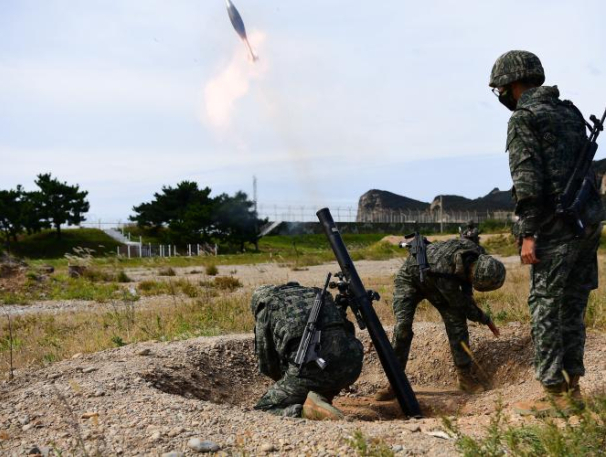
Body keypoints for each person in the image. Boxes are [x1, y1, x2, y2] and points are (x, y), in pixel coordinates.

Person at [489, 50, 604, 416]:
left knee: (546, 307)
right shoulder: (568, 112)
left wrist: (528, 233)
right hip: (586, 224)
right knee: (572, 306)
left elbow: (527, 183)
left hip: (554, 228)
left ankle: (554, 394)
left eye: (501, 90)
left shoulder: (525, 118)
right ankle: (573, 387)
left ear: (514, 85)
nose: (502, 97)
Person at [375, 238, 505, 400]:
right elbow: (461, 303)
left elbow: (464, 297)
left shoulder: (480, 255)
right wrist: (485, 318)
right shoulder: (444, 268)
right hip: (411, 279)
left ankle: (465, 377)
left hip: (438, 282)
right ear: (471, 273)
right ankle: (395, 384)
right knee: (403, 328)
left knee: (457, 324)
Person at [250, 281, 363, 419]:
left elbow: (267, 361)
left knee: (265, 408)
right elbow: (348, 331)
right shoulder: (321, 294)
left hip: (310, 373)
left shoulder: (266, 304)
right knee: (325, 369)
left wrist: (286, 381)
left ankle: (306, 411)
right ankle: (320, 398)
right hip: (351, 368)